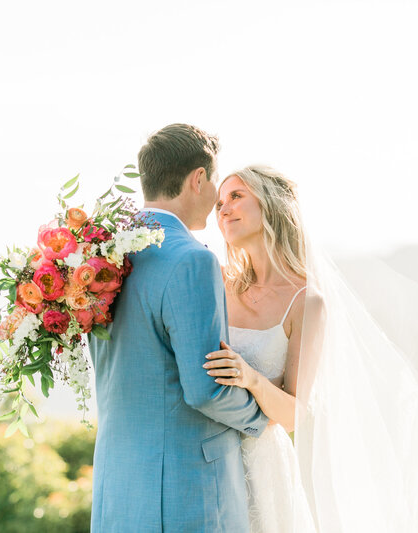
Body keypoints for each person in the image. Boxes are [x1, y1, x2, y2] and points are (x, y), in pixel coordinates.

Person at [205, 165, 418, 533]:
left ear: (270, 204)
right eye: (219, 202)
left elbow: (293, 415)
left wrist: (251, 378)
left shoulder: (306, 302)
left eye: (236, 196)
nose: (223, 209)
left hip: (259, 469)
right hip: (202, 448)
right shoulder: (216, 281)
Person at [88, 124, 269, 533]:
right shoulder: (192, 261)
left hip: (117, 488)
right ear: (198, 178)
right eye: (216, 181)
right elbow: (205, 389)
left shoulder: (98, 257)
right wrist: (264, 414)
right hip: (185, 495)